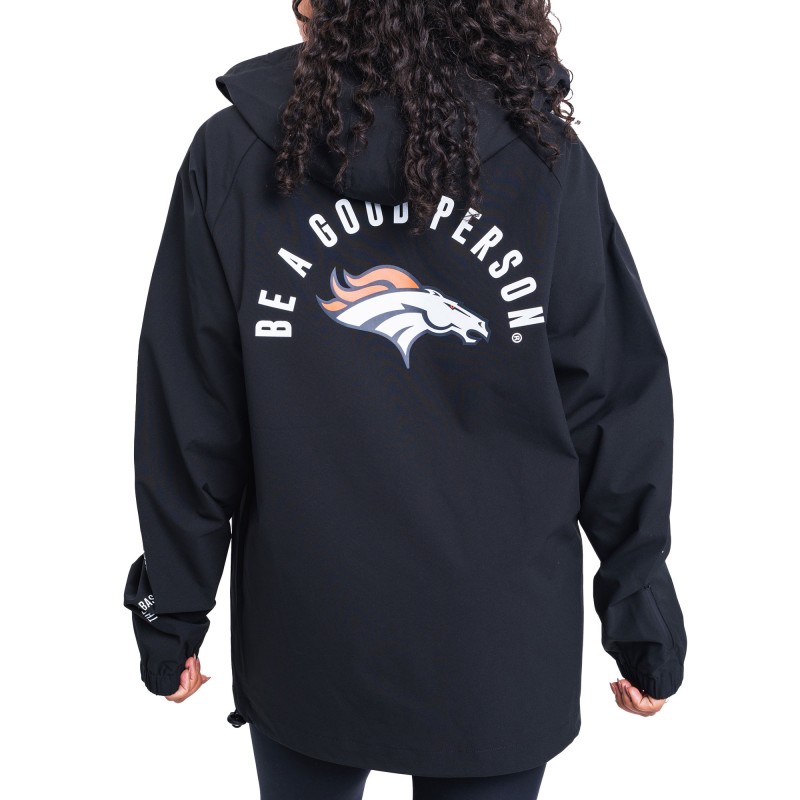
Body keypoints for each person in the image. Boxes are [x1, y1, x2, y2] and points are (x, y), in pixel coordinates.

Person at [123, 0, 688, 797]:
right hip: (500, 642)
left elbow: (191, 408)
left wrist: (171, 613)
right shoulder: (542, 156)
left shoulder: (233, 152)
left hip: (309, 629)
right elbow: (613, 404)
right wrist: (643, 621)